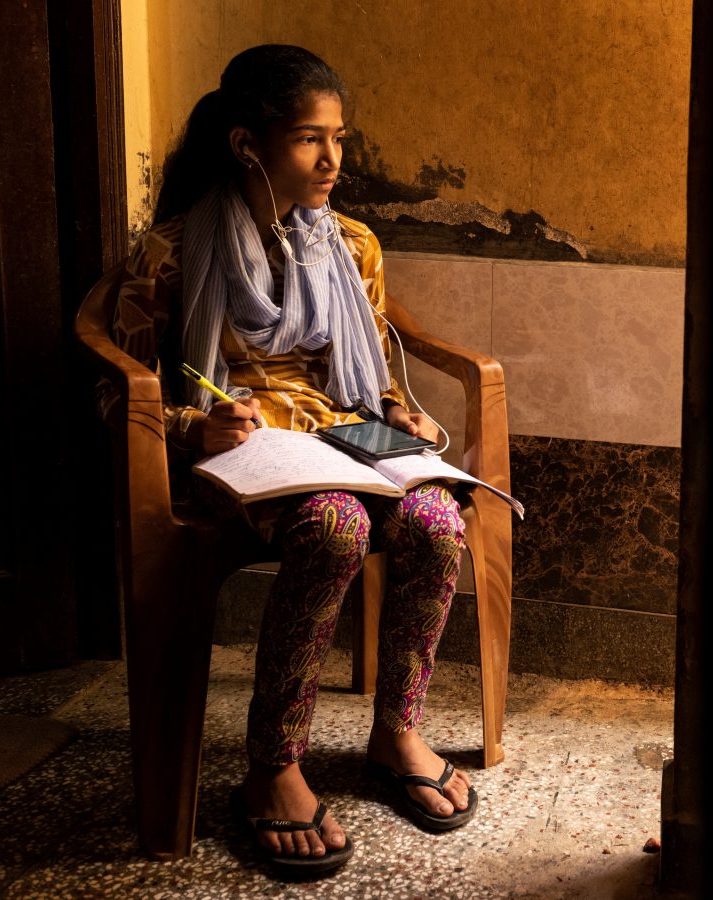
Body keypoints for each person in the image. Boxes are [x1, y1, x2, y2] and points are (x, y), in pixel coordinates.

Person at [108, 44, 475, 877]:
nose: (334, 160)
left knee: (435, 519)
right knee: (336, 529)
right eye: (311, 139)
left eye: (340, 138)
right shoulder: (169, 254)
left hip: (345, 437)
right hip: (247, 452)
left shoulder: (352, 246)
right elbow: (112, 392)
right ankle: (273, 765)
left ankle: (396, 733)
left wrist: (396, 411)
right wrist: (189, 424)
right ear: (247, 145)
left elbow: (370, 370)